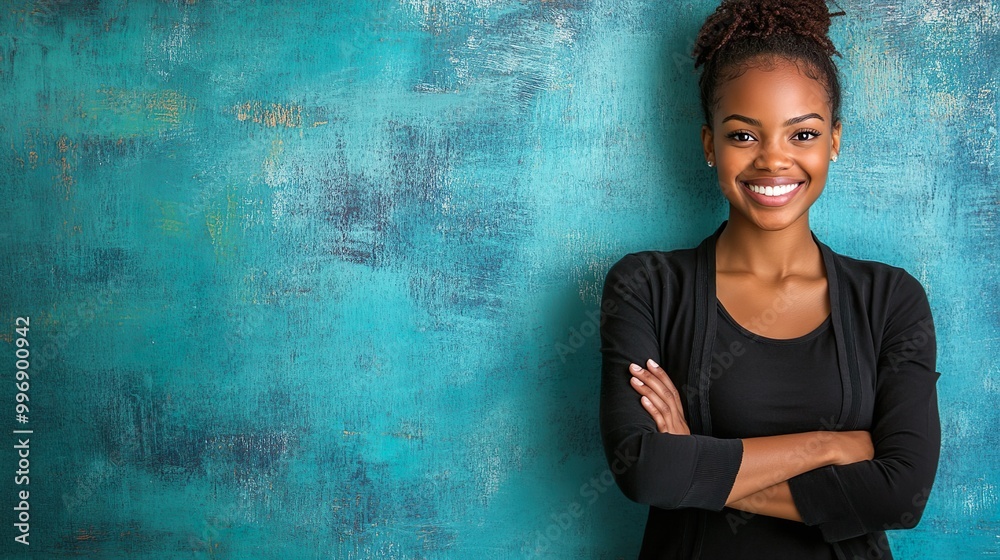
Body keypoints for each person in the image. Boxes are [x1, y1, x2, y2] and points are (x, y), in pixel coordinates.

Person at [598, 0, 942, 558]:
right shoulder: (647, 286)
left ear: (834, 139)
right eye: (743, 135)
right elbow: (647, 472)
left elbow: (901, 495)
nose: (773, 161)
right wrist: (829, 446)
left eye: (802, 135)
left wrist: (698, 460)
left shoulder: (890, 299)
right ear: (710, 144)